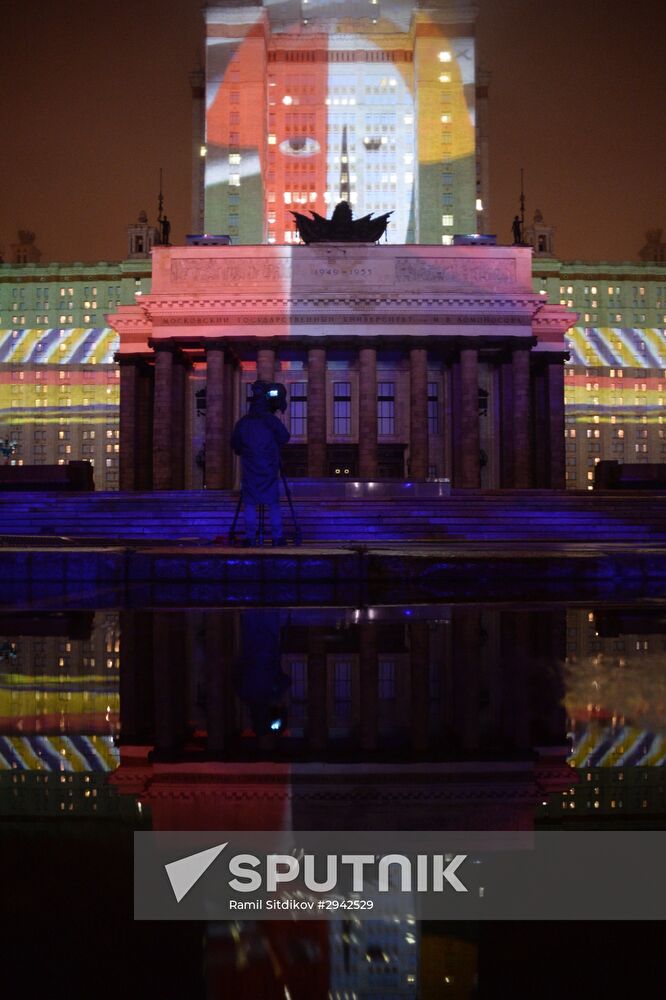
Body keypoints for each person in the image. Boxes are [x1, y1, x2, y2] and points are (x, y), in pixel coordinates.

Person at [231, 380, 290, 545]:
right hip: (269, 467)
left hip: (250, 469)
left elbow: (235, 444)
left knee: (249, 503)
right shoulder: (270, 421)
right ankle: (277, 538)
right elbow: (284, 437)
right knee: (273, 503)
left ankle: (250, 537)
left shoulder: (243, 422)